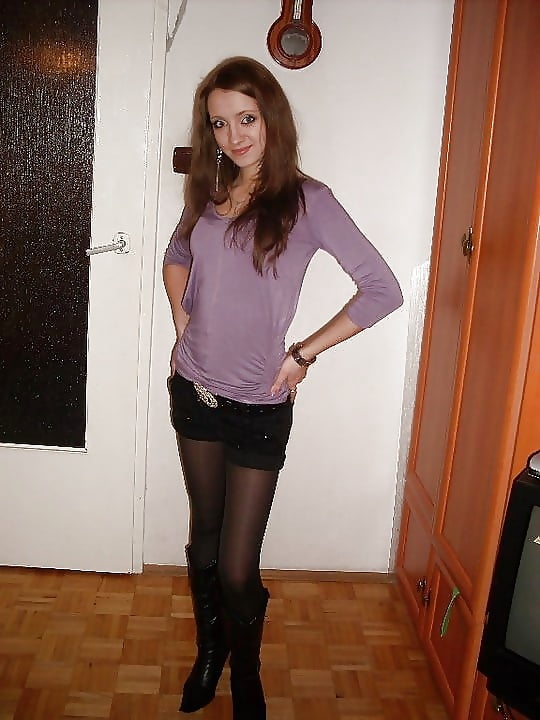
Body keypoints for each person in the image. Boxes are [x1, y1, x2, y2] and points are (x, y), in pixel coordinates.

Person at [163, 56, 403, 720]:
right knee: (203, 540)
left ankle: (247, 669)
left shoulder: (307, 201)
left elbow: (383, 290)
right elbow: (177, 256)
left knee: (238, 566)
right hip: (194, 392)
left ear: (270, 116)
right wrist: (183, 318)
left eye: (246, 118)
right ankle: (210, 655)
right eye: (220, 124)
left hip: (258, 406)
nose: (234, 136)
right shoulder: (210, 190)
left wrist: (303, 354)